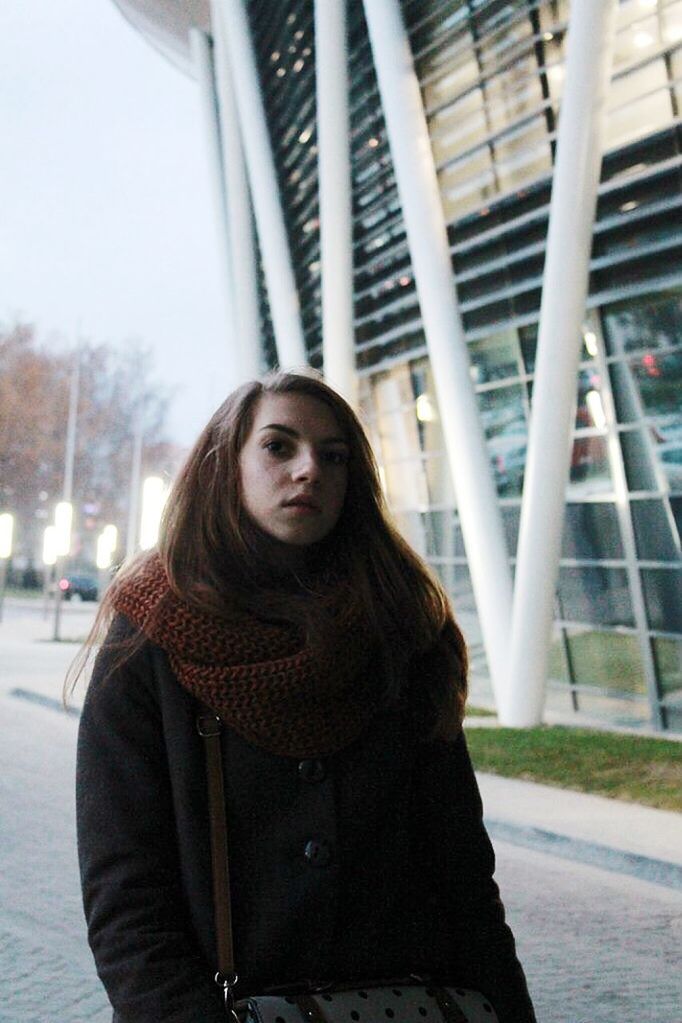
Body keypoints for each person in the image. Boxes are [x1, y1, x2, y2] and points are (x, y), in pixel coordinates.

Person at [74, 370, 536, 1023]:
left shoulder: (401, 631)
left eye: (333, 454)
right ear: (225, 465)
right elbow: (126, 892)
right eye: (279, 446)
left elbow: (460, 874)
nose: (308, 468)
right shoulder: (152, 635)